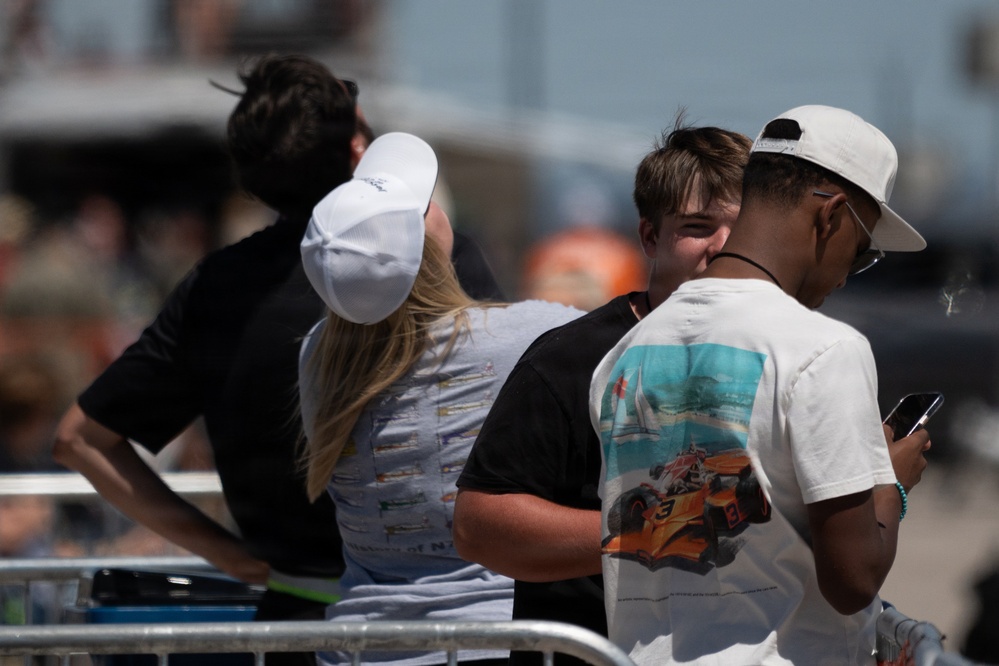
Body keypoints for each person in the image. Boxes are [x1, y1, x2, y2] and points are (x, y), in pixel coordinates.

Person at [51, 54, 503, 661]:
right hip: (430, 624)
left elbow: (79, 440)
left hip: (288, 621)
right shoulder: (438, 259)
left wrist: (227, 554)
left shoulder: (215, 288)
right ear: (357, 151)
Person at [588, 105, 931, 665]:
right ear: (832, 216)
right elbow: (853, 581)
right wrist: (892, 484)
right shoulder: (824, 349)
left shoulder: (626, 353)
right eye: (862, 251)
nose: (847, 275)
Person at [452, 120, 751, 665]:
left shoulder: (790, 353)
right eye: (697, 226)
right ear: (649, 237)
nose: (723, 246)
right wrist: (655, 531)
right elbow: (480, 526)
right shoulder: (569, 360)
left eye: (742, 226)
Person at [297, 131, 582, 666]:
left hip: (360, 652)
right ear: (426, 246)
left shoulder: (317, 356)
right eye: (427, 204)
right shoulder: (530, 333)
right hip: (491, 645)